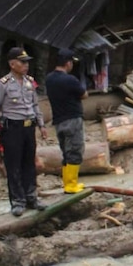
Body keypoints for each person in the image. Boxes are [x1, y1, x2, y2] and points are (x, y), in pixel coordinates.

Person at [0, 47, 48, 217]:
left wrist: (42, 125)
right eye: (22, 62)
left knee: (29, 163)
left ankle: (31, 197)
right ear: (12, 63)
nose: (26, 65)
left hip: (29, 128)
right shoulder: (2, 84)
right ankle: (17, 201)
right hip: (12, 128)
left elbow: (35, 105)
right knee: (14, 165)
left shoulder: (29, 82)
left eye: (27, 62)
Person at [45, 48, 87, 194]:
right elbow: (84, 95)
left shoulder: (49, 79)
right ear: (68, 63)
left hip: (58, 120)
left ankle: (67, 183)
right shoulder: (70, 80)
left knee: (65, 151)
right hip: (72, 119)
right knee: (75, 150)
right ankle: (71, 185)